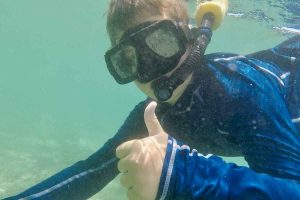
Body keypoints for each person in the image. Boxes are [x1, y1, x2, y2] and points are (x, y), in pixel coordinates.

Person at [4, 0, 300, 199]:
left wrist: (183, 174)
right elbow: (90, 171)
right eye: (129, 59)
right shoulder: (153, 115)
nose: (150, 70)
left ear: (190, 38)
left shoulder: (241, 93)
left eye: (161, 42)